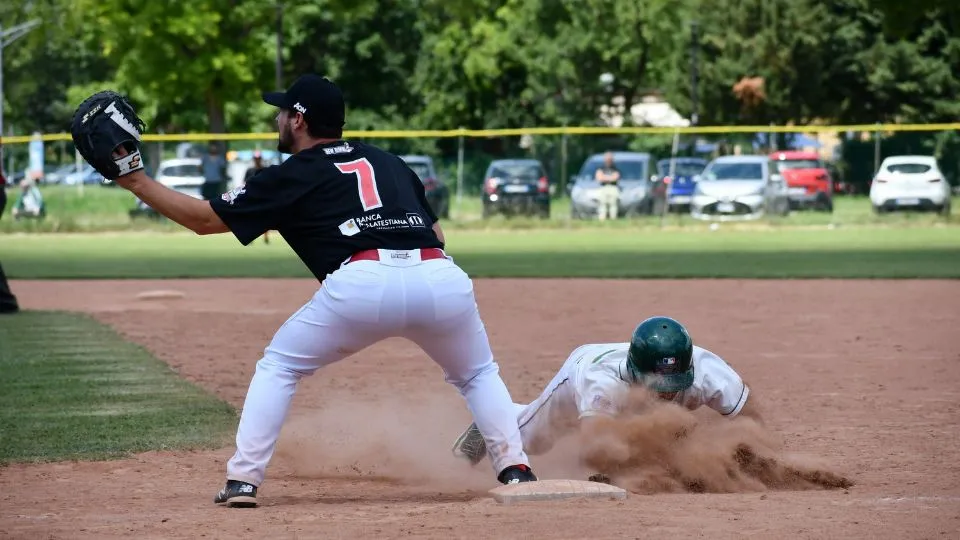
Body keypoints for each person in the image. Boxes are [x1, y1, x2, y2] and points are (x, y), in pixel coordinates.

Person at [95, 74, 537, 507]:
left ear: (299, 121)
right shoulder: (390, 161)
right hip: (441, 278)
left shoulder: (293, 174)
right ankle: (516, 470)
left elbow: (203, 220)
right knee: (478, 374)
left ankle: (243, 480)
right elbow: (436, 233)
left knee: (279, 367)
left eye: (283, 112)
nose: (278, 119)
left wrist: (134, 179)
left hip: (362, 283)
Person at [451, 316, 761, 478]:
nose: (667, 390)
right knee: (534, 441)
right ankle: (496, 419)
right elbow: (594, 450)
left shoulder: (710, 372)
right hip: (580, 371)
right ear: (635, 368)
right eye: (658, 382)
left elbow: (751, 418)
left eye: (674, 381)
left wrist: (754, 451)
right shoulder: (599, 380)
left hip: (616, 390)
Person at [244, 151, 271, 244]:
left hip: (263, 197)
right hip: (251, 197)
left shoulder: (265, 169)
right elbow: (245, 183)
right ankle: (250, 237)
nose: (257, 160)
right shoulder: (250, 170)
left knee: (265, 218)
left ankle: (266, 237)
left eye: (258, 158)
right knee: (250, 218)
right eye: (256, 158)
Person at [594, 152, 621, 220]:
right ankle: (602, 219)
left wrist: (605, 177)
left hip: (613, 187)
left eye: (610, 158)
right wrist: (610, 178)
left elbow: (616, 177)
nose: (608, 159)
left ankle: (613, 218)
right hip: (603, 187)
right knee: (602, 203)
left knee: (613, 203)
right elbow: (599, 178)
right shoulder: (601, 168)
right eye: (607, 158)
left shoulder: (615, 168)